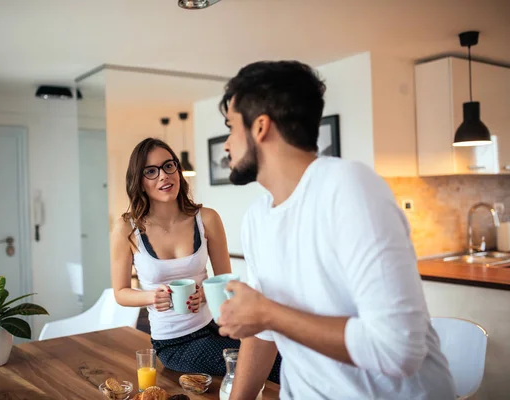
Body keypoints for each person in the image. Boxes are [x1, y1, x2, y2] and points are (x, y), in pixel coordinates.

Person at [215, 61, 455, 399]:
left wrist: (266, 313)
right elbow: (263, 333)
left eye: (231, 127)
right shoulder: (256, 217)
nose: (226, 144)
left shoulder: (348, 187)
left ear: (260, 127)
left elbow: (397, 349)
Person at [110, 137, 281, 382]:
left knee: (278, 354)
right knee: (262, 366)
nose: (163, 176)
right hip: (174, 343)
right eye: (151, 171)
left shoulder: (207, 219)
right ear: (139, 180)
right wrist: (152, 297)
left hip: (215, 328)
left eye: (169, 166)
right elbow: (120, 292)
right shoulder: (126, 228)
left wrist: (207, 294)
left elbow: (224, 282)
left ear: (178, 170)